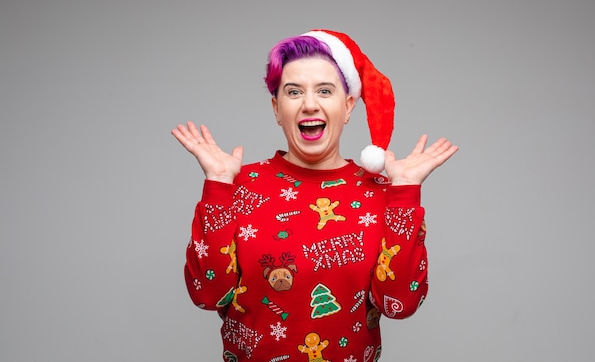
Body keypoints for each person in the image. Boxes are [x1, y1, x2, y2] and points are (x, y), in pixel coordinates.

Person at [172, 29, 458, 362]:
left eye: (325, 90)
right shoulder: (238, 186)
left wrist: (405, 194)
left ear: (348, 106)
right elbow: (207, 295)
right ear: (277, 108)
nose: (310, 104)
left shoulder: (383, 194)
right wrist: (219, 182)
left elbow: (400, 304)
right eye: (294, 92)